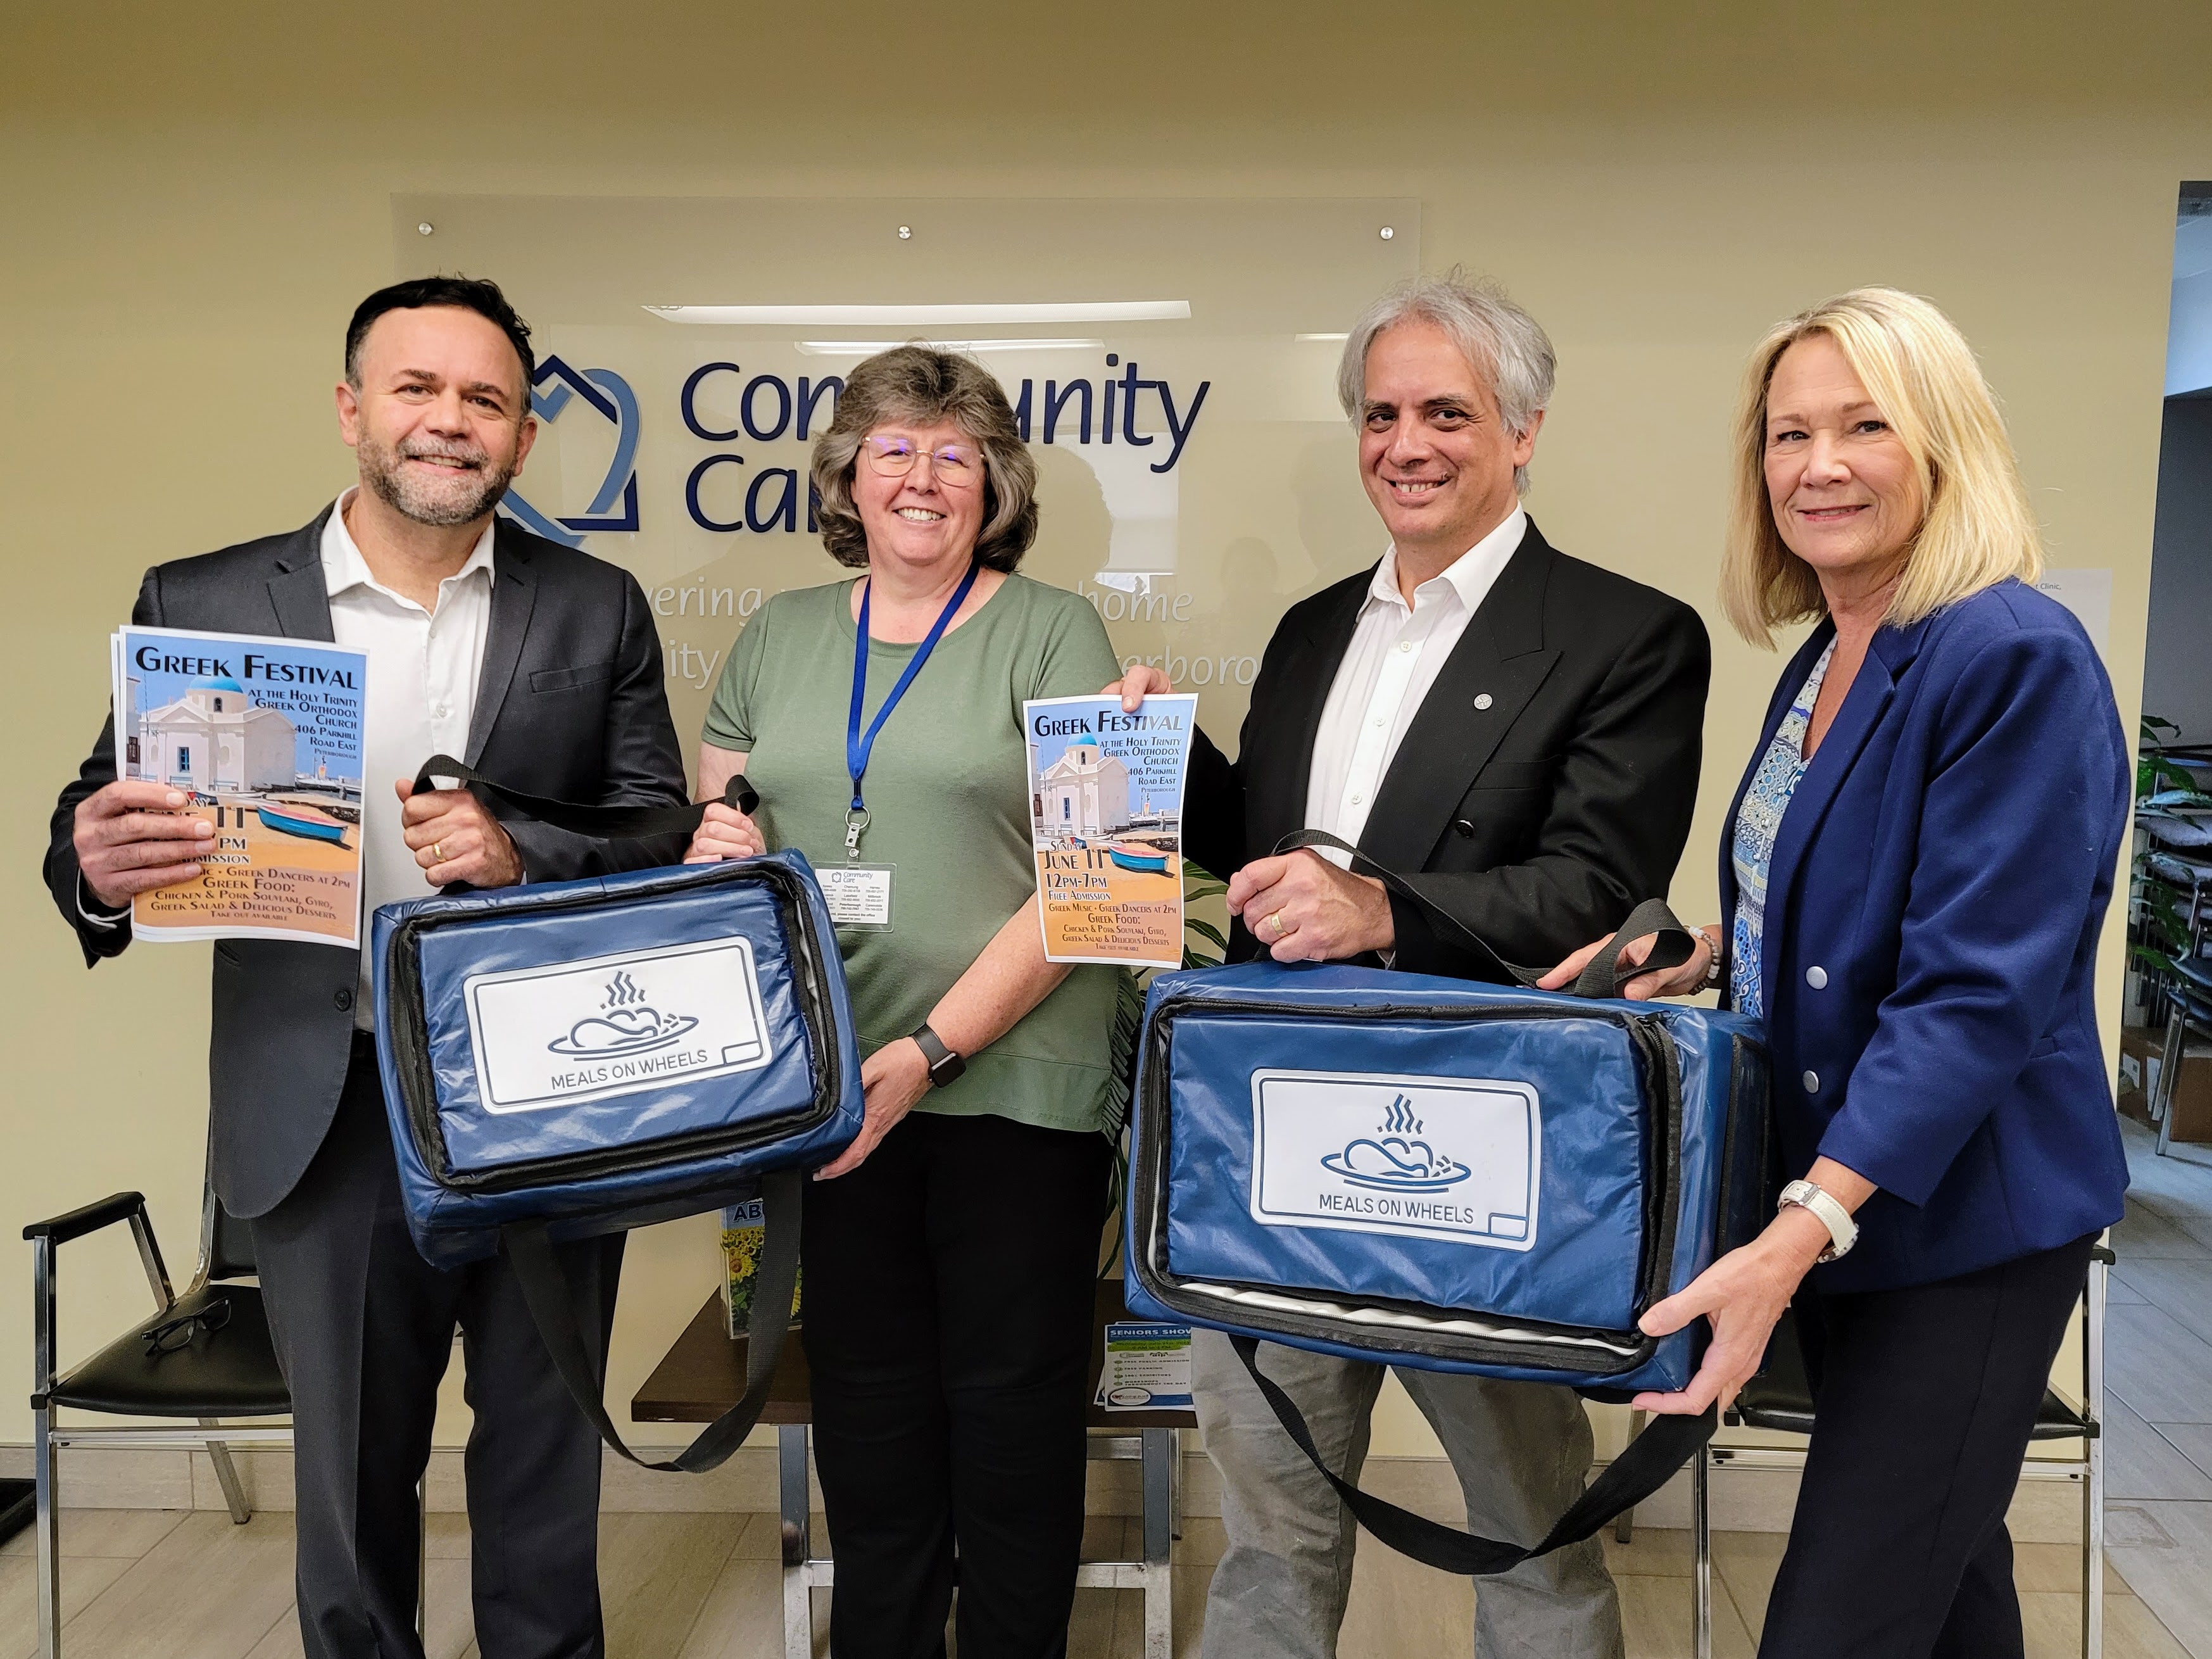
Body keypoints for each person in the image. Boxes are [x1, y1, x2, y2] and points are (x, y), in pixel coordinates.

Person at [45, 275, 693, 1659]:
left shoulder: (595, 604)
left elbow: (658, 825)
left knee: (541, 1463)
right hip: (321, 1100)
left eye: (485, 400)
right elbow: (95, 816)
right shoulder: (207, 598)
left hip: (544, 1095)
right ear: (352, 409)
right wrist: (95, 868)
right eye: (416, 388)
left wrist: (518, 850)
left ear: (522, 439)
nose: (448, 422)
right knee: (348, 1480)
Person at [1120, 271, 1712, 1659]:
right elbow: (1274, 857)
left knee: (1528, 1534)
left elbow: (1594, 890)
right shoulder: (1313, 626)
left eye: (1446, 410)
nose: (1407, 442)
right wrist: (1152, 755)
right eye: (1381, 413)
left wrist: (1382, 912)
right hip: (1274, 1137)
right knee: (1267, 1528)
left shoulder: (1630, 634)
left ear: (1522, 428)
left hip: (1478, 1151)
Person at [1542, 286, 2130, 1658]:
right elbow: (1830, 900)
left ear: (1944, 445)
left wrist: (1795, 1230)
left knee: (1837, 1622)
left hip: (1959, 1228)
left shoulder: (2010, 654)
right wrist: (1694, 955)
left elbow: (1973, 991)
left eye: (1865, 425)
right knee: (1943, 1588)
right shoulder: (1832, 647)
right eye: (1787, 432)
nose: (1818, 464)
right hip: (1857, 1214)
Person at [684, 345, 1128, 1659]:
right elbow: (724, 814)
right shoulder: (777, 633)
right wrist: (712, 837)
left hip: (1013, 1086)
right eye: (894, 448)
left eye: (955, 452)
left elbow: (1091, 885)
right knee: (868, 1416)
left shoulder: (1057, 630)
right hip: (827, 1090)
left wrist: (929, 1049)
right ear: (844, 475)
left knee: (1009, 1418)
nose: (924, 475)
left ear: (994, 482)